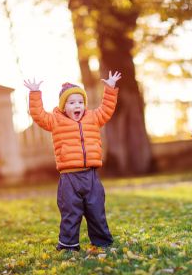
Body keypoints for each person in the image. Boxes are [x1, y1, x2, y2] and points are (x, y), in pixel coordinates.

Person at [24, 71, 122, 250]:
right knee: (71, 212)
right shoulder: (55, 121)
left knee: (96, 210)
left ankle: (102, 242)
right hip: (69, 179)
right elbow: (38, 115)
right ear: (63, 106)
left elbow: (107, 109)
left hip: (91, 176)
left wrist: (110, 88)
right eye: (71, 102)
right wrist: (35, 93)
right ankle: (68, 245)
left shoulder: (93, 118)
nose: (77, 105)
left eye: (80, 102)